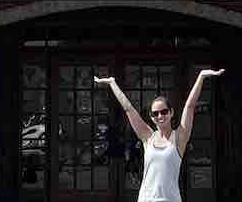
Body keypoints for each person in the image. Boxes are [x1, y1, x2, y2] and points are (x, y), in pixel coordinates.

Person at [95, 68, 225, 202]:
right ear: (151, 117)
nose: (160, 116)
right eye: (155, 113)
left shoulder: (179, 138)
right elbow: (128, 108)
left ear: (171, 112)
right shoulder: (148, 137)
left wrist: (201, 76)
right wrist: (112, 83)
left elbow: (190, 106)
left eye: (164, 111)